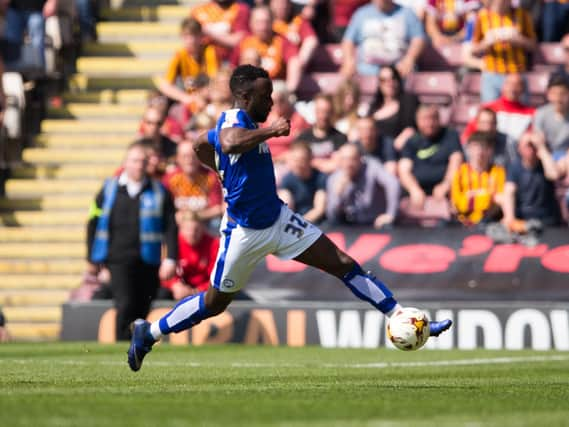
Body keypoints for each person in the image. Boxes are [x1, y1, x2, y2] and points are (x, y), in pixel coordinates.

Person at [127, 65, 451, 371]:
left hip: (279, 221)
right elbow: (225, 141)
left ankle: (404, 317)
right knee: (215, 303)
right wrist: (270, 132)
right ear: (244, 98)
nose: (270, 102)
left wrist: (218, 164)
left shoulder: (246, 126)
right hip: (243, 232)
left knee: (342, 263)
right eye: (264, 97)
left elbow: (202, 144)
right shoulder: (232, 119)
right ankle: (149, 332)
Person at [87, 142, 178, 341]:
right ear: (125, 163)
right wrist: (91, 258)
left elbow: (171, 226)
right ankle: (122, 344)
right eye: (135, 161)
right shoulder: (109, 189)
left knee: (143, 305)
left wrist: (171, 258)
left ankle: (136, 346)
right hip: (117, 259)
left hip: (148, 259)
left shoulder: (159, 191)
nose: (139, 165)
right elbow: (92, 223)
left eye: (143, 161)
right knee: (125, 303)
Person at [398, 104, 463, 225]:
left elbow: (456, 161)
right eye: (425, 119)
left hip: (445, 191)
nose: (430, 123)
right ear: (417, 121)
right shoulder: (412, 141)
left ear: (439, 119)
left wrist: (446, 184)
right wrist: (414, 190)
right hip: (417, 190)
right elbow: (403, 170)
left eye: (433, 118)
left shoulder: (450, 135)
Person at [471, 0, 536, 103]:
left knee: (520, 113)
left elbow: (533, 45)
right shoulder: (483, 16)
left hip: (517, 72)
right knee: (491, 111)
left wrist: (518, 40)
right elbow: (474, 49)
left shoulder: (522, 14)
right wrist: (487, 43)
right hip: (492, 72)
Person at [340, 0, 426, 78]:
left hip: (398, 72)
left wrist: (409, 59)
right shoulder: (361, 14)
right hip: (366, 71)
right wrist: (348, 60)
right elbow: (348, 40)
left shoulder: (407, 13)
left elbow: (419, 38)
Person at [326, 143, 400, 228]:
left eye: (352, 159)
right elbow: (331, 216)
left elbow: (393, 183)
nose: (348, 164)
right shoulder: (334, 178)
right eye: (344, 159)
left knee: (388, 226)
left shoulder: (372, 168)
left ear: (360, 159)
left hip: (374, 222)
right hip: (349, 225)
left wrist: (391, 214)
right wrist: (338, 195)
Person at [232, 6, 302, 93]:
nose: (263, 27)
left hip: (274, 91)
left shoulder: (282, 42)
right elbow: (233, 68)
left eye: (266, 22)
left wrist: (289, 90)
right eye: (258, 22)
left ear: (273, 22)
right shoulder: (243, 43)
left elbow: (295, 63)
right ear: (250, 23)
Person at [502, 131, 562, 229]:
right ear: (519, 148)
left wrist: (541, 147)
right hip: (523, 219)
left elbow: (554, 175)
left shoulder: (545, 164)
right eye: (528, 145)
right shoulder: (514, 167)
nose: (532, 149)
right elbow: (509, 193)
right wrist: (510, 218)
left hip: (547, 220)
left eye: (534, 146)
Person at [157, 18, 219, 107]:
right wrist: (185, 98)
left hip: (207, 98)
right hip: (187, 100)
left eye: (194, 35)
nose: (191, 40)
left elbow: (215, 81)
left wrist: (200, 96)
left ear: (201, 36)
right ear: (181, 37)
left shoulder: (209, 51)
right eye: (186, 36)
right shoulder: (180, 55)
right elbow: (165, 85)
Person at [159, 211, 220, 300]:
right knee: (161, 294)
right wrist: (174, 285)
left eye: (196, 229)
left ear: (203, 228)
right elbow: (163, 273)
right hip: (178, 288)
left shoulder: (214, 244)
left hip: (204, 291)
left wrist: (194, 291)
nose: (192, 233)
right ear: (181, 229)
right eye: (188, 229)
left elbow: (217, 277)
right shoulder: (172, 244)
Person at [462, 73, 535, 144]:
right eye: (509, 84)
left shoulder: (531, 114)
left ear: (522, 89)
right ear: (503, 86)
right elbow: (467, 136)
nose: (513, 88)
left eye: (517, 84)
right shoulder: (488, 109)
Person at [161, 140, 224, 222]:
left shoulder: (210, 177)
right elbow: (164, 208)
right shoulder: (169, 179)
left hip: (204, 222)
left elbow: (218, 208)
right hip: (179, 224)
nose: (189, 160)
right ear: (177, 158)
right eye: (185, 156)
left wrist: (195, 216)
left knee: (215, 222)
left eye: (193, 156)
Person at [451, 131, 506, 226]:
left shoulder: (498, 172)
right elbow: (458, 203)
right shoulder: (461, 172)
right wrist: (484, 194)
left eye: (483, 147)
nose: (479, 152)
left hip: (488, 222)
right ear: (468, 149)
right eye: (475, 147)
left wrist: (471, 195)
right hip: (461, 223)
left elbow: (497, 203)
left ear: (490, 150)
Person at [366, 65, 419, 153]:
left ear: (398, 80)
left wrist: (405, 136)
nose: (389, 83)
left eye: (392, 78)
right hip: (375, 149)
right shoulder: (374, 106)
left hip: (400, 149)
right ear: (379, 84)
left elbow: (412, 128)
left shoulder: (408, 101)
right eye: (383, 80)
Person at [296, 93, 347, 174]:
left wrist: (311, 162)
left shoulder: (340, 138)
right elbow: (297, 162)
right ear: (315, 111)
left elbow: (337, 165)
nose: (323, 116)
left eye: (327, 111)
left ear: (332, 112)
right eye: (320, 111)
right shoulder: (303, 137)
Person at [278, 141, 327, 223]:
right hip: (295, 223)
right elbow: (285, 208)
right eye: (295, 160)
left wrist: (301, 223)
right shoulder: (287, 179)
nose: (298, 164)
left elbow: (319, 209)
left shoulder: (320, 178)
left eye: (302, 160)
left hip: (318, 223)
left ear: (310, 159)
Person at [3, 0, 57, 70]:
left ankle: (39, 73)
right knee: (11, 42)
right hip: (14, 8)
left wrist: (52, 1)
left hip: (37, 9)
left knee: (37, 43)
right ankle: (12, 71)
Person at [270, 0, 319, 74]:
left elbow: (311, 40)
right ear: (271, 4)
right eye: (278, 3)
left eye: (284, 3)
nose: (282, 6)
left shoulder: (298, 21)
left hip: (293, 69)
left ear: (290, 5)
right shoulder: (264, 22)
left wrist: (300, 63)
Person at [533, 74, 569, 162]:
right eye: (554, 93)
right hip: (544, 158)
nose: (558, 98)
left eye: (563, 93)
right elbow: (538, 140)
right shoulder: (541, 113)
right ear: (548, 94)